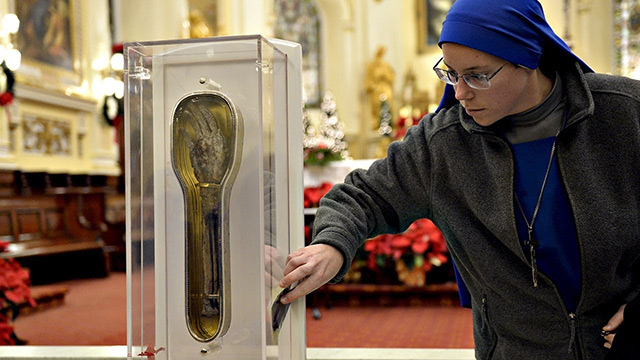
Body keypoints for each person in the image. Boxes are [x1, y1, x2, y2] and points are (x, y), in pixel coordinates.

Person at [279, 0, 640, 359]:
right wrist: (331, 245)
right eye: (450, 73)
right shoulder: (444, 144)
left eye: (477, 75)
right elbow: (361, 196)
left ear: (528, 58)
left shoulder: (623, 114)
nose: (461, 92)